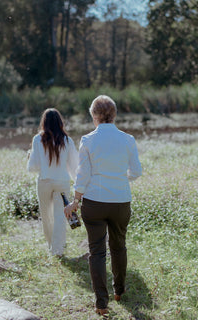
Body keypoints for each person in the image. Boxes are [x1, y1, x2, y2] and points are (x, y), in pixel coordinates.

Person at [64, 95, 142, 316]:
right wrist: (118, 178)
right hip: (120, 202)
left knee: (96, 252)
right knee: (119, 246)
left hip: (94, 203)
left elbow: (83, 175)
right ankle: (119, 291)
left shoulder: (88, 140)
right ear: (114, 114)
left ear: (94, 116)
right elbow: (136, 172)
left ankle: (101, 303)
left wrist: (76, 200)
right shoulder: (128, 139)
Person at [27, 108, 79, 257]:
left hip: (44, 181)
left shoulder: (38, 139)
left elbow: (33, 167)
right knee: (60, 216)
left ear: (44, 122)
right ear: (60, 122)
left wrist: (30, 155)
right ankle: (58, 250)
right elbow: (74, 166)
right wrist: (79, 186)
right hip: (62, 182)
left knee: (47, 216)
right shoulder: (67, 140)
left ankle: (51, 246)